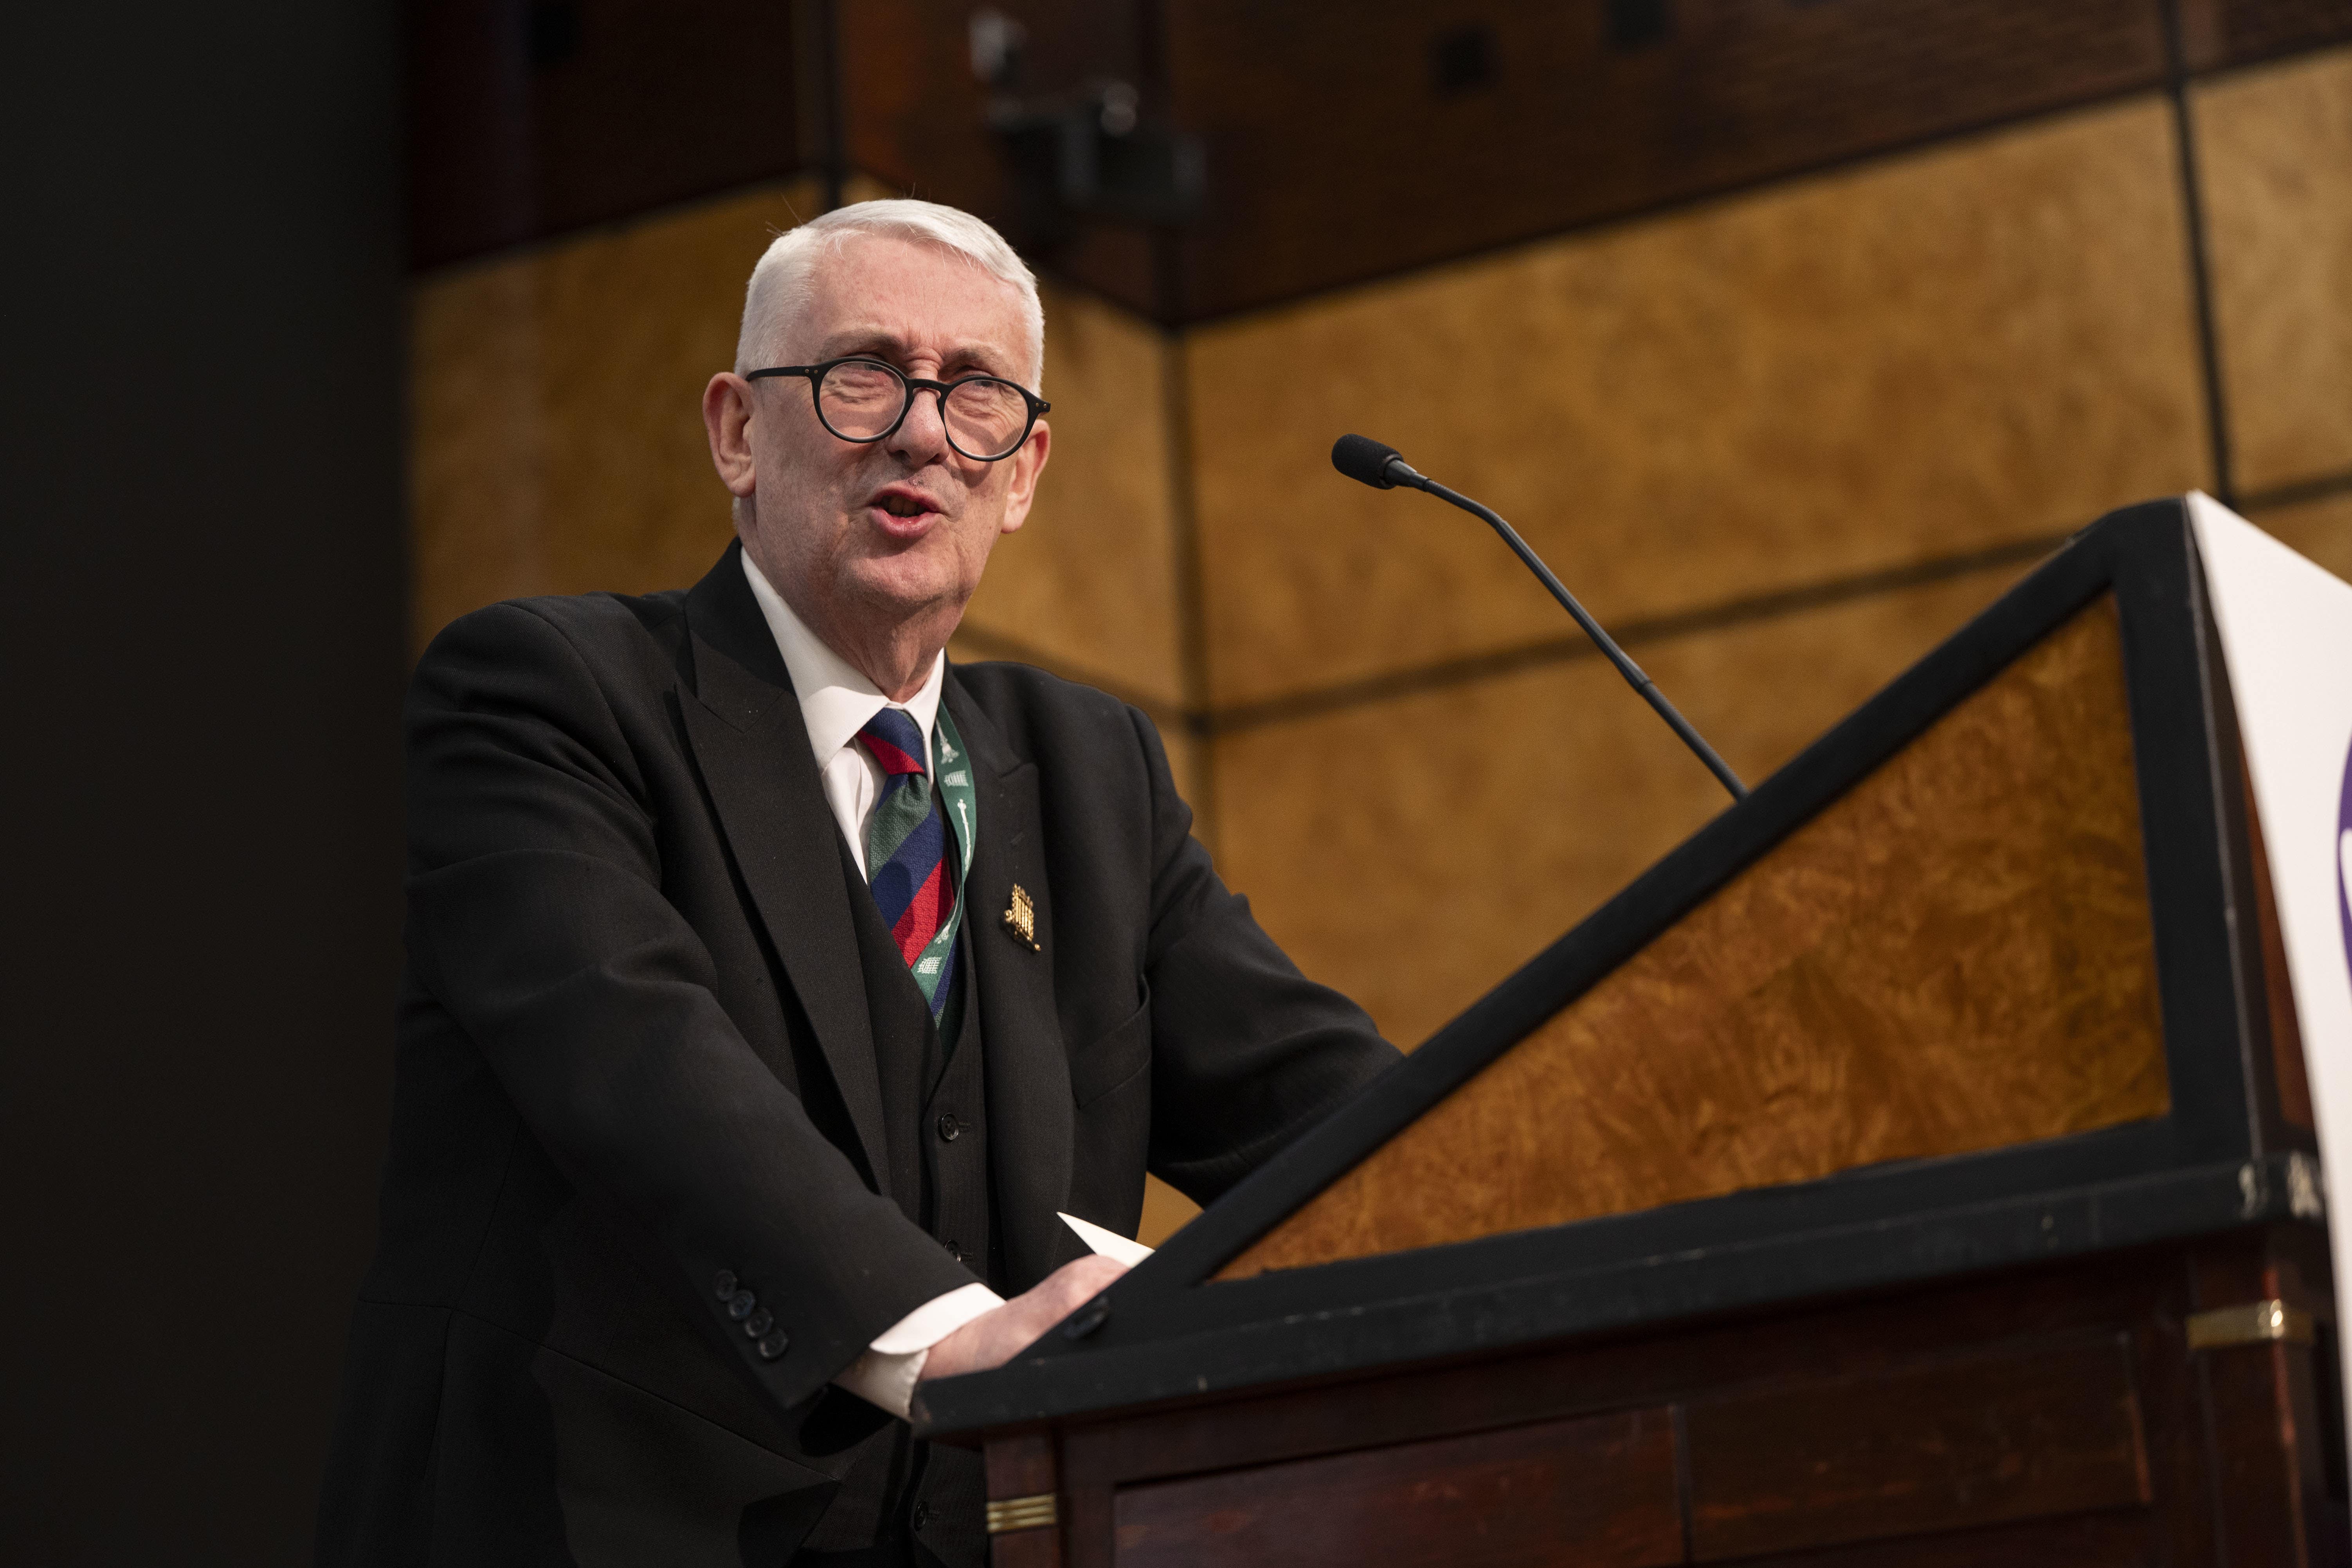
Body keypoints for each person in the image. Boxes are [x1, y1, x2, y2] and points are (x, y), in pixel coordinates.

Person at [316, 199, 1400, 1568]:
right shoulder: (549, 695)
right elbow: (637, 1063)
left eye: (977, 394)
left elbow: (1321, 1109)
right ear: (736, 432)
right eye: (863, 374)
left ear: (1022, 469)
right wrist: (947, 1341)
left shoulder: (1091, 772)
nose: (922, 429)